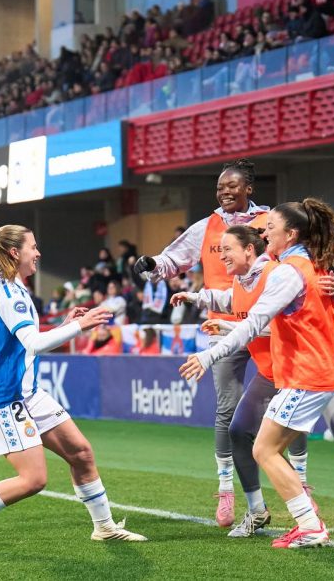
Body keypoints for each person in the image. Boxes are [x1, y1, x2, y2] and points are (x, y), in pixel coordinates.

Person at [179, 199, 334, 549]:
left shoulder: (288, 272)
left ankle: (315, 523)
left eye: (270, 227)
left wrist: (210, 354)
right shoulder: (306, 265)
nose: (264, 232)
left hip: (306, 375)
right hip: (308, 373)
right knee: (262, 446)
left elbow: (255, 322)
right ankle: (305, 520)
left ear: (291, 234)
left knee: (267, 449)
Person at [0, 224, 145, 551]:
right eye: (33, 247)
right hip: (4, 396)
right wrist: (78, 326)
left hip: (27, 393)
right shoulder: (8, 293)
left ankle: (104, 527)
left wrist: (63, 326)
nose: (38, 253)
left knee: (81, 453)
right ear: (15, 252)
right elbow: (33, 344)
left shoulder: (14, 288)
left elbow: (26, 342)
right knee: (34, 480)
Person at [131, 158, 269, 527]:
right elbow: (172, 260)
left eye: (232, 186)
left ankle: (299, 484)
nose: (225, 192)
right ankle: (226, 490)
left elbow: (292, 258)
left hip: (266, 326)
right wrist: (151, 265)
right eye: (220, 187)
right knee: (227, 409)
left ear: (249, 189)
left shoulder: (268, 222)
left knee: (284, 404)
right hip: (222, 328)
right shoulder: (206, 226)